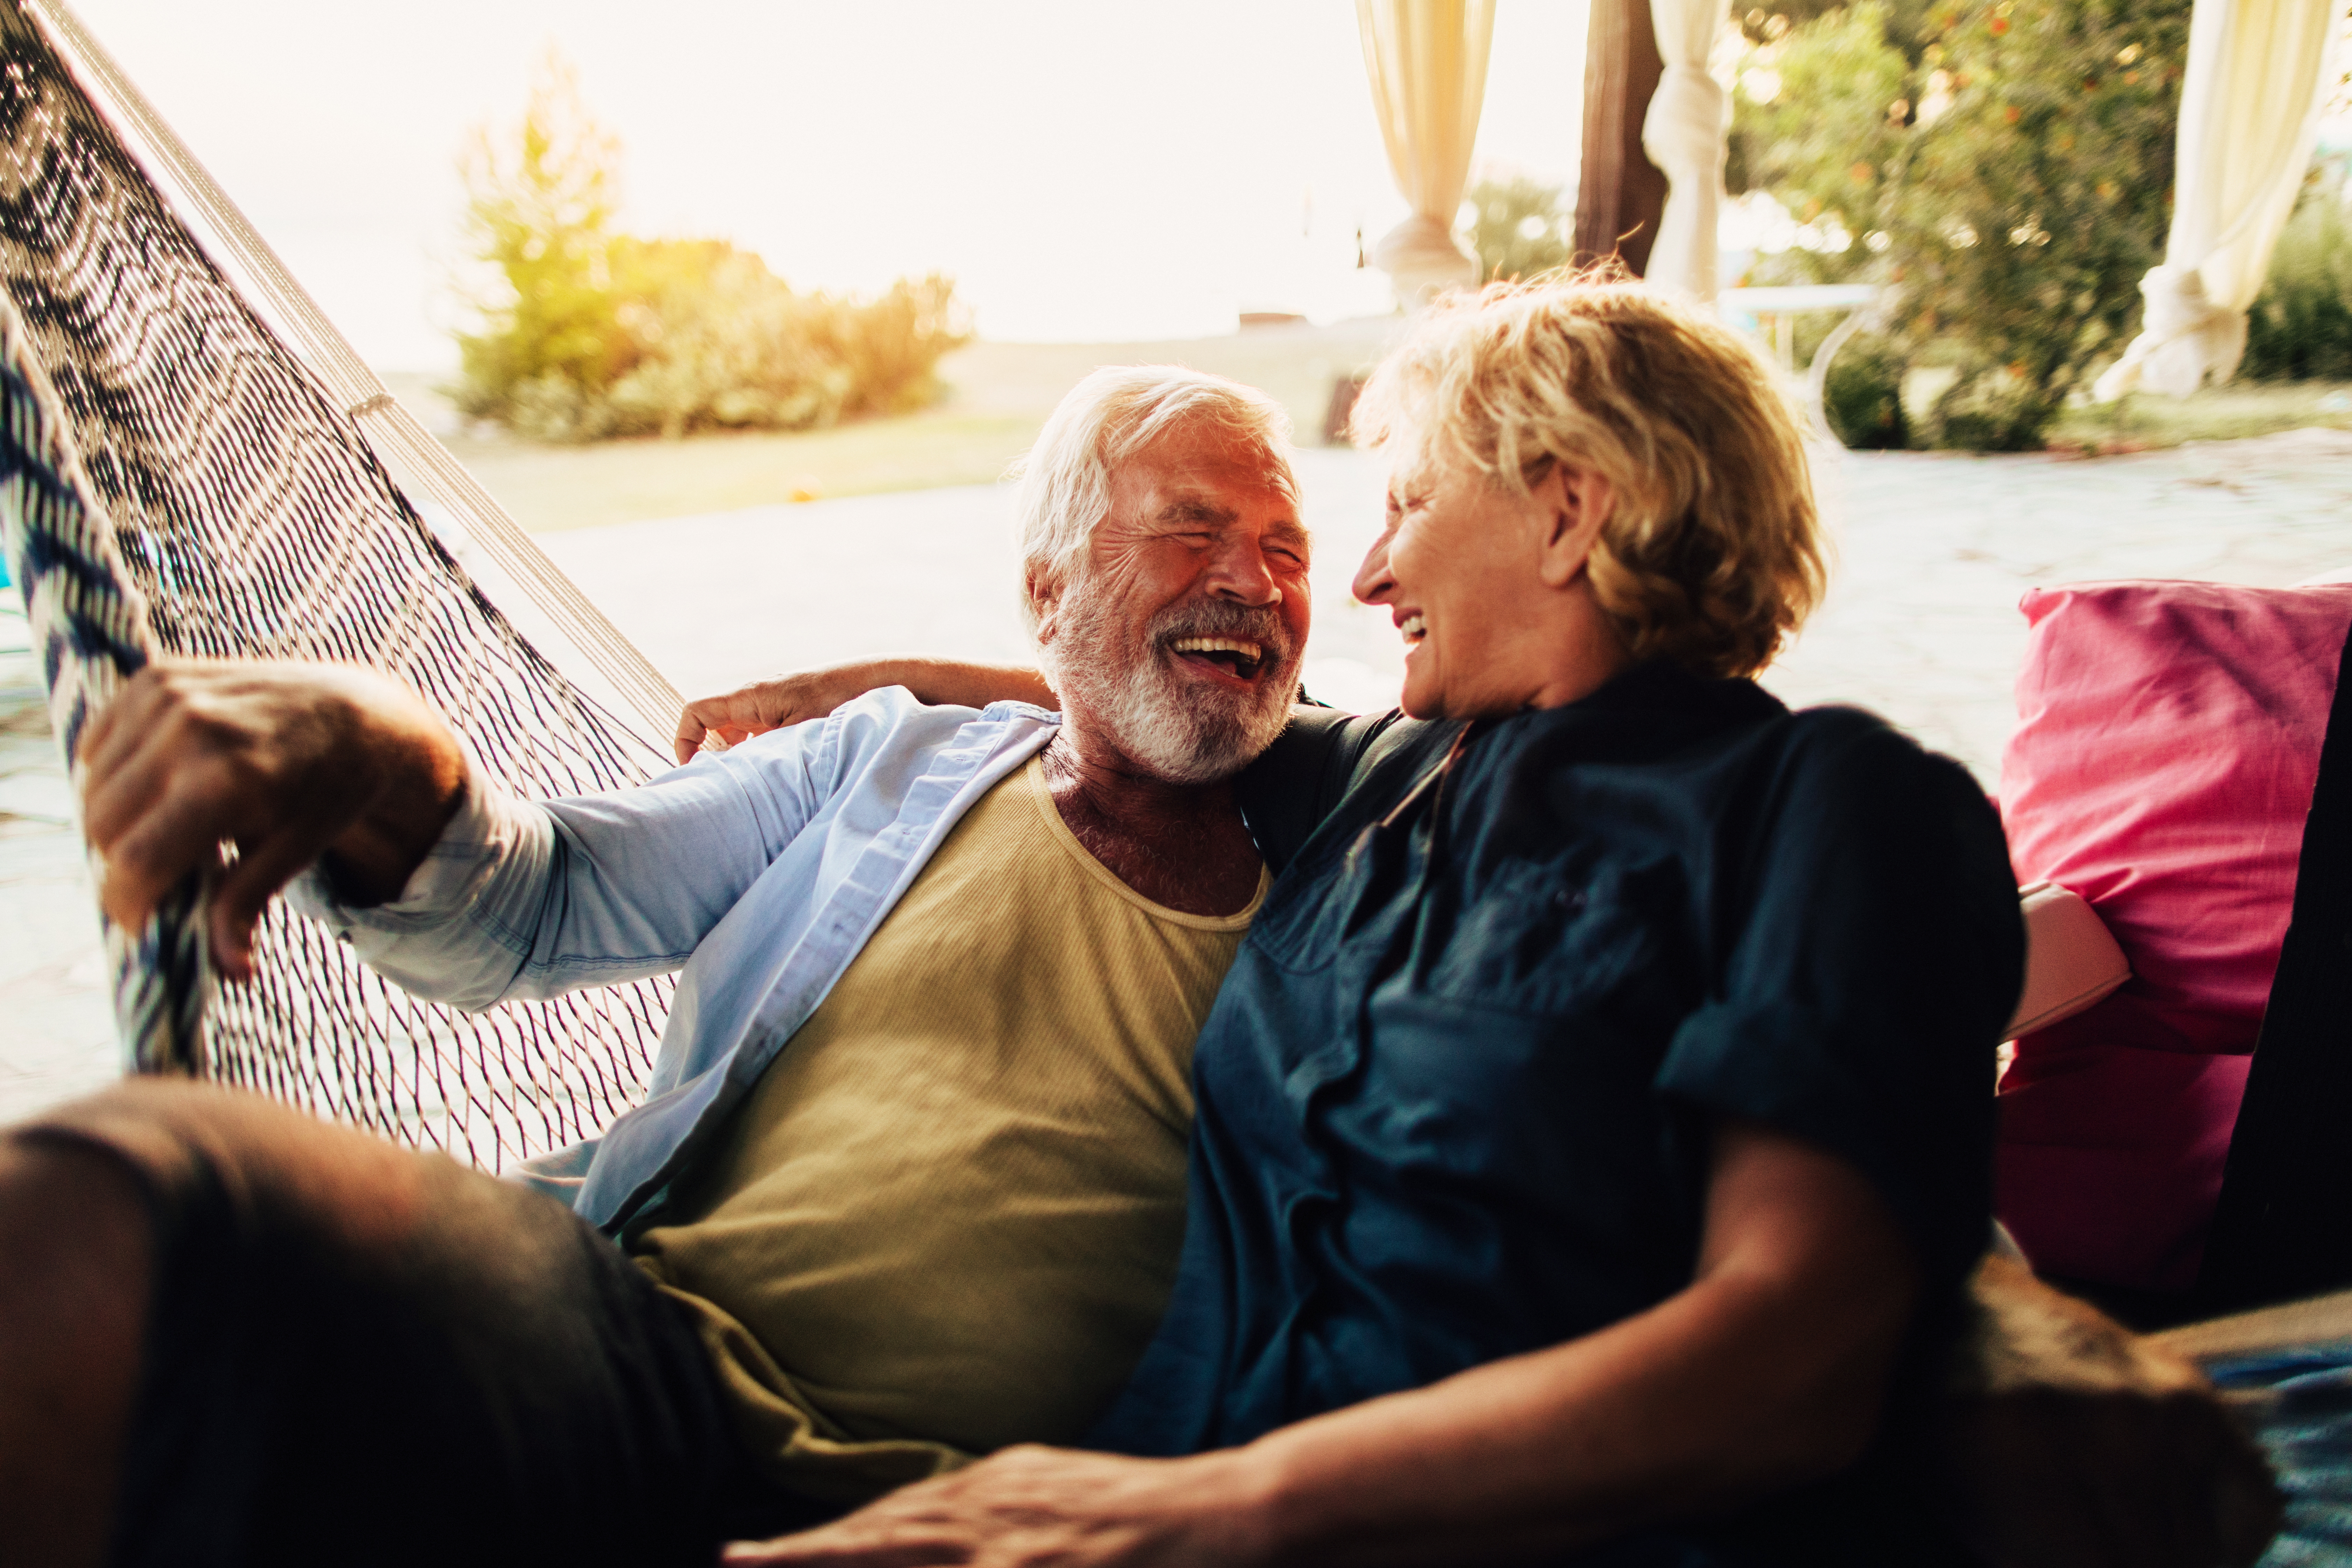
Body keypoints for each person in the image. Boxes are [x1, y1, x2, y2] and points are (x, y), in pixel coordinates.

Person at [705, 280, 2280, 1568]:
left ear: (1569, 515)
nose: (1371, 570)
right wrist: (848, 695)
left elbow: (1799, 1345)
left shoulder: (1827, 807)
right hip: (1095, 1509)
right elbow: (1129, 695)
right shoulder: (1366, 778)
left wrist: (1204, 1512)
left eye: (1403, 504)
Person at [0, 366, 1319, 1568]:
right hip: (627, 1354)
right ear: (1046, 583)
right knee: (110, 1219)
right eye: (1191, 530)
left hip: (982, 1518)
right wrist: (388, 747)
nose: (1254, 581)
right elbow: (534, 900)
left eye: (1285, 550)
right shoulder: (880, 763)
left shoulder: (1371, 871)